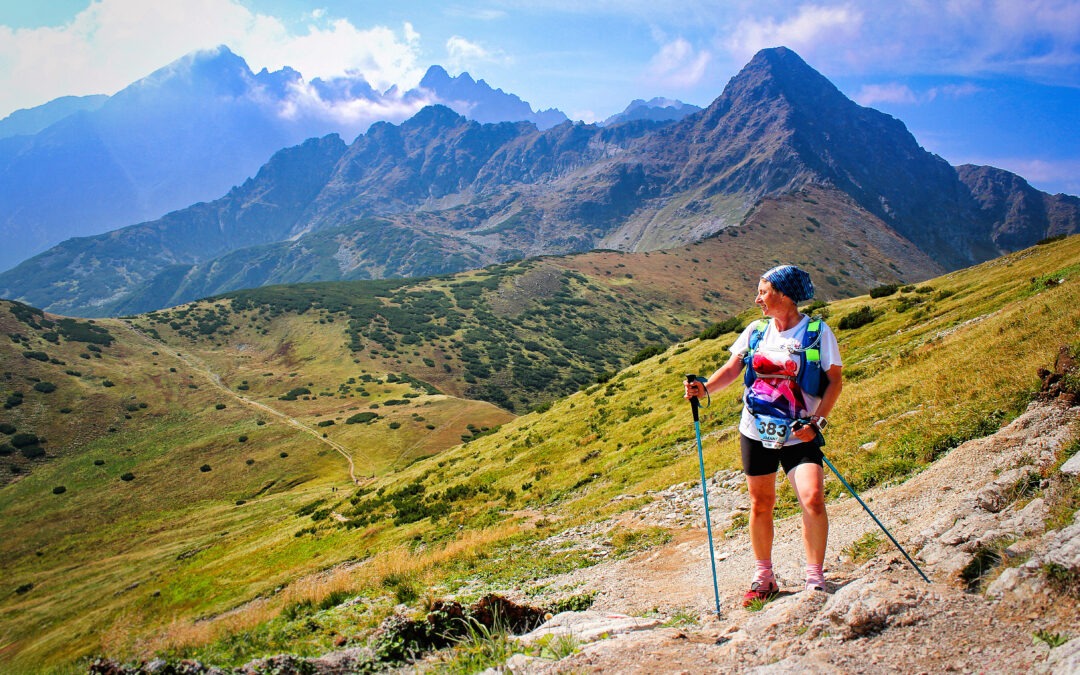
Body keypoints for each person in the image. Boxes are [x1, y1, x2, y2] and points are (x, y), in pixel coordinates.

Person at [684, 264, 843, 607]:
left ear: (785, 295)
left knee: (812, 498)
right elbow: (733, 368)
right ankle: (764, 576)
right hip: (755, 430)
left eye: (763, 292)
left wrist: (818, 422)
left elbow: (835, 381)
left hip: (800, 433)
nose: (757, 299)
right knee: (761, 504)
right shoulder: (756, 331)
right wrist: (705, 388)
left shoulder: (816, 332)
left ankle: (814, 577)